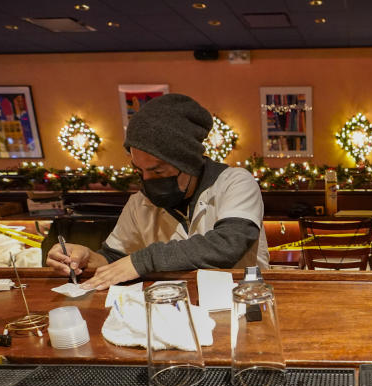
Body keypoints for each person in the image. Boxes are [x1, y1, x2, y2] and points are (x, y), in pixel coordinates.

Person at [47, 93, 268, 290]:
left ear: (188, 163)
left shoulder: (235, 182)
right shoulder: (139, 203)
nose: (147, 180)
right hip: (175, 305)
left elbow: (228, 244)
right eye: (140, 170)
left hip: (244, 297)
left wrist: (143, 260)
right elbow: (115, 258)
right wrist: (86, 259)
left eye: (158, 171)